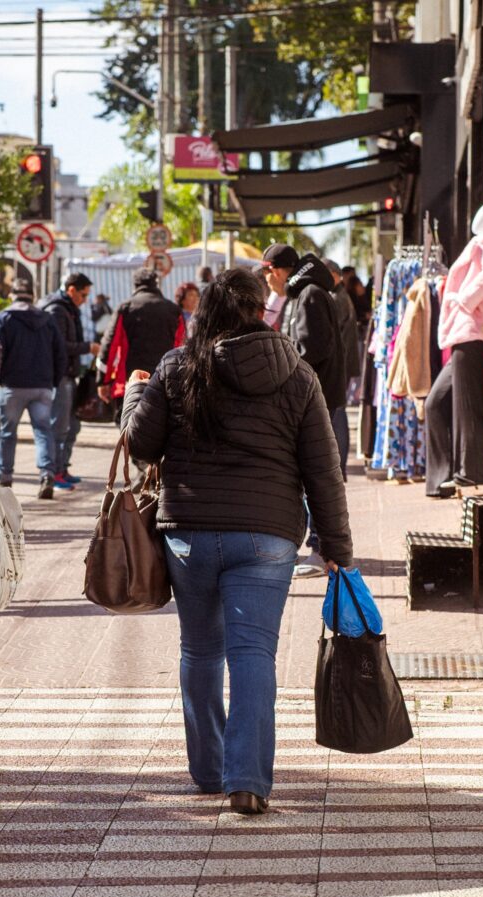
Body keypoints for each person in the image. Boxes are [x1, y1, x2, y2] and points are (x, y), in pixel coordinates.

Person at [121, 268, 351, 816]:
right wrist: (337, 547)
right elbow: (324, 471)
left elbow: (140, 445)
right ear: (260, 310)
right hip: (267, 537)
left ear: (207, 312)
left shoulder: (179, 366)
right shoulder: (297, 375)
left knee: (201, 650)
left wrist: (133, 395)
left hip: (189, 535)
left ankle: (208, 769)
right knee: (253, 654)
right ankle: (246, 781)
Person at [423, 202, 483, 496]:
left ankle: (474, 472)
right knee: (438, 403)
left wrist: (465, 301)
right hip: (470, 332)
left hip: (476, 331)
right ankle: (446, 477)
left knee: (468, 406)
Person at [269, 244, 347, 578]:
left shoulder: (310, 294)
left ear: (276, 270)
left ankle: (320, 549)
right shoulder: (306, 293)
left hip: (317, 400)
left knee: (317, 476)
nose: (267, 281)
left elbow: (311, 349)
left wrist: (284, 372)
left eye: (267, 273)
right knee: (312, 474)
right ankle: (316, 547)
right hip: (315, 399)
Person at [0, 277, 67, 499]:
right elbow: (60, 353)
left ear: (12, 295)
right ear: (33, 296)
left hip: (12, 385)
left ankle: (5, 478)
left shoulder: (3, 318)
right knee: (43, 431)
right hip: (42, 385)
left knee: (8, 433)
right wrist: (53, 381)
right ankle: (47, 475)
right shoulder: (47, 319)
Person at [98, 267, 184, 418]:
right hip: (164, 385)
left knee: (129, 429)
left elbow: (110, 346)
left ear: (135, 285)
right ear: (156, 284)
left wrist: (102, 381)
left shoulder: (126, 308)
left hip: (130, 385)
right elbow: (180, 347)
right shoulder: (174, 310)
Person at [40, 272, 94, 490]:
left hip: (69, 374)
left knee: (72, 425)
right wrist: (88, 347)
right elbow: (60, 345)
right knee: (59, 427)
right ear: (71, 290)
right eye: (83, 295)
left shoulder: (69, 309)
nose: (85, 300)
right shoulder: (57, 309)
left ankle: (62, 468)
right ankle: (53, 474)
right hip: (59, 375)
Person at [323, 258, 361, 479]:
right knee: (338, 411)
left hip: (341, 364)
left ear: (334, 275)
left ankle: (340, 466)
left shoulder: (337, 298)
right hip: (343, 363)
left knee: (337, 412)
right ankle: (340, 466)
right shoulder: (338, 296)